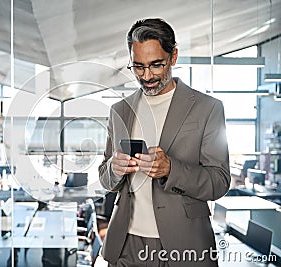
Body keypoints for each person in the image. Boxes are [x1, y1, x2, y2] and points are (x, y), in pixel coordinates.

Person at [99, 18, 230, 267]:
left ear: (174, 56)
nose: (146, 76)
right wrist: (114, 170)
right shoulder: (119, 110)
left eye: (156, 65)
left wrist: (172, 169)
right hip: (127, 244)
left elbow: (220, 182)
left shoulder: (207, 109)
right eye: (138, 67)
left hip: (185, 245)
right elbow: (106, 178)